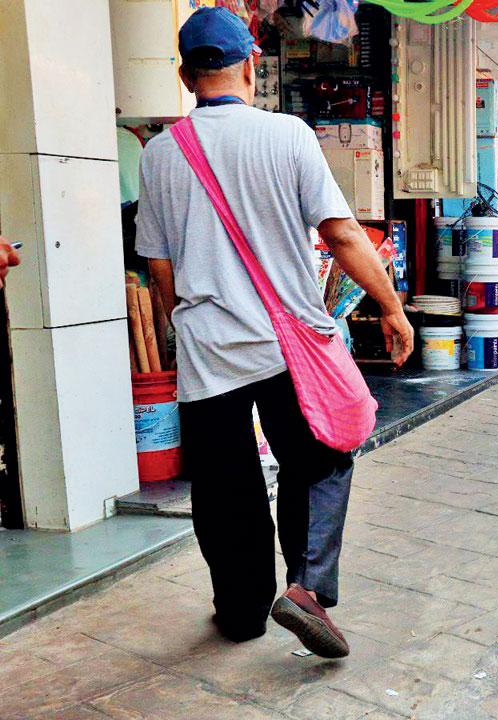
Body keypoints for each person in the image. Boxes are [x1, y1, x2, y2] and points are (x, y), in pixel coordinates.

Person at [135, 7, 414, 658]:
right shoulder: (287, 136)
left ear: (185, 74)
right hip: (288, 344)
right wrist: (392, 308)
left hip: (208, 352)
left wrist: (189, 323)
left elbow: (158, 270)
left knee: (225, 485)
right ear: (252, 65)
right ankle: (307, 589)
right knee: (317, 464)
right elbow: (340, 233)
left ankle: (241, 612)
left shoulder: (159, 155)